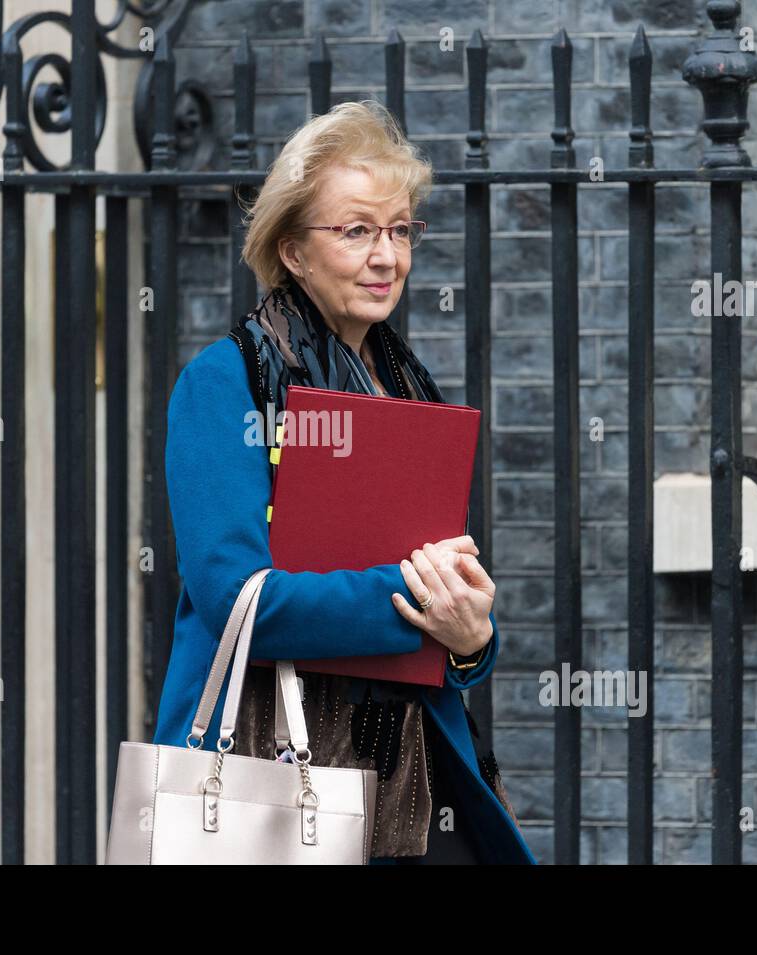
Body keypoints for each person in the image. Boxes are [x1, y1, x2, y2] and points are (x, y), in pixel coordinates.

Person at [151, 100, 537, 865]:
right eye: (356, 230)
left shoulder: (411, 390)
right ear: (293, 250)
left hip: (415, 783)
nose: (386, 255)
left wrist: (471, 638)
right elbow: (237, 601)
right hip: (272, 776)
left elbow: (448, 584)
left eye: (399, 230)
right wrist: (414, 602)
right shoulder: (224, 382)